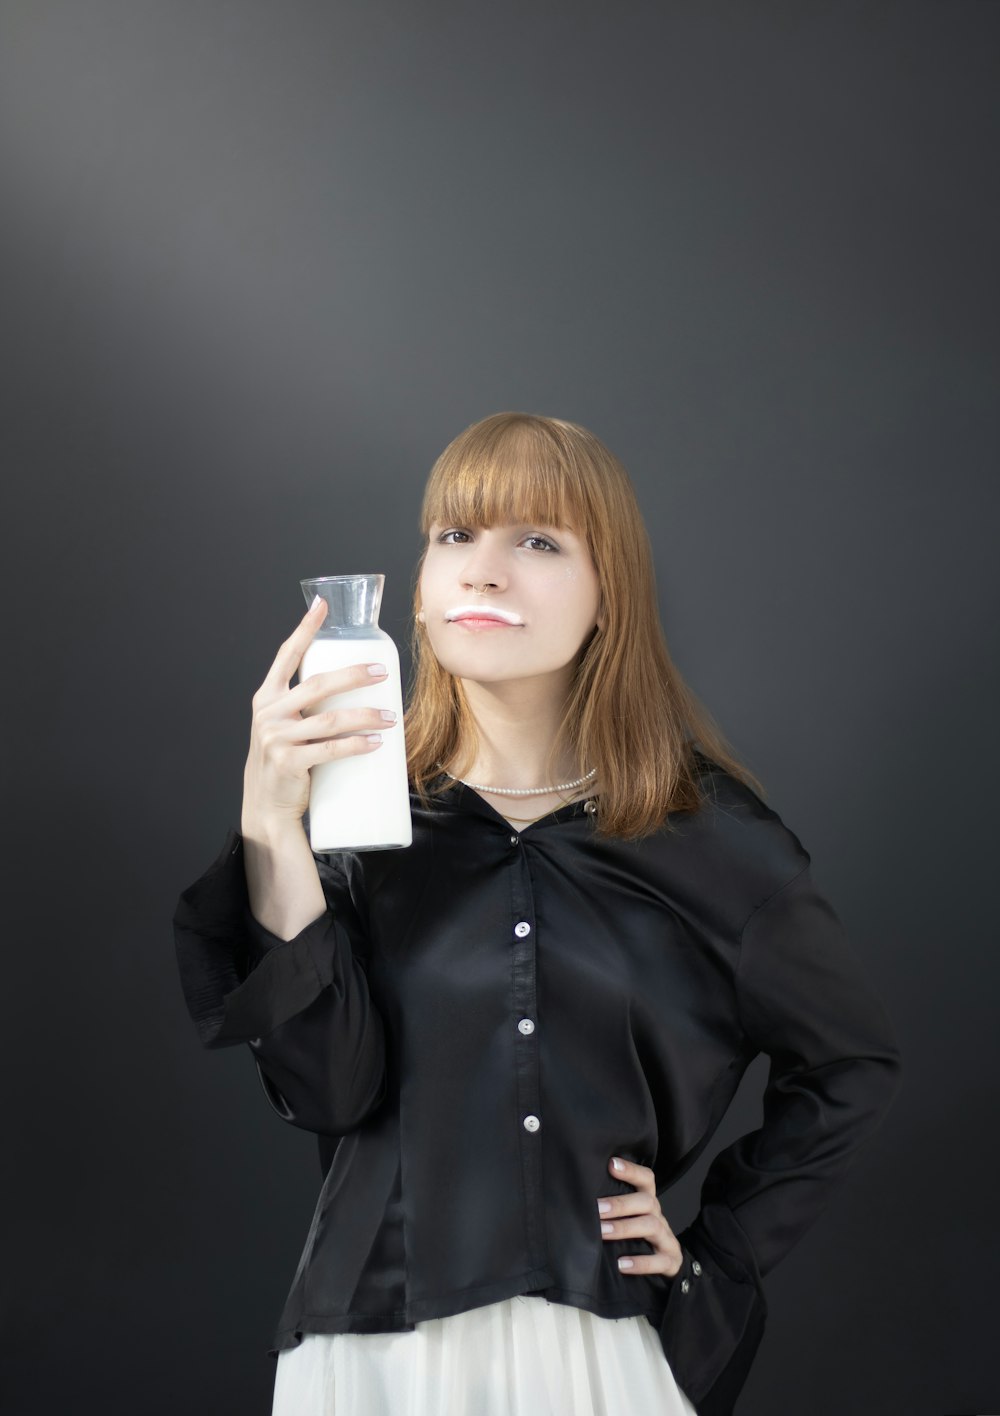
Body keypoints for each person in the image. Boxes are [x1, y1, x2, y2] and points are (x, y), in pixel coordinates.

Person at [173, 412, 903, 1416]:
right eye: (455, 537)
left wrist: (715, 1252)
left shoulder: (714, 842)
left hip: (592, 1351)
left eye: (538, 542)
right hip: (367, 1353)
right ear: (419, 598)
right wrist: (270, 829)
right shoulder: (354, 828)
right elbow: (329, 1096)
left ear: (610, 594)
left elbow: (848, 1066)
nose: (483, 572)